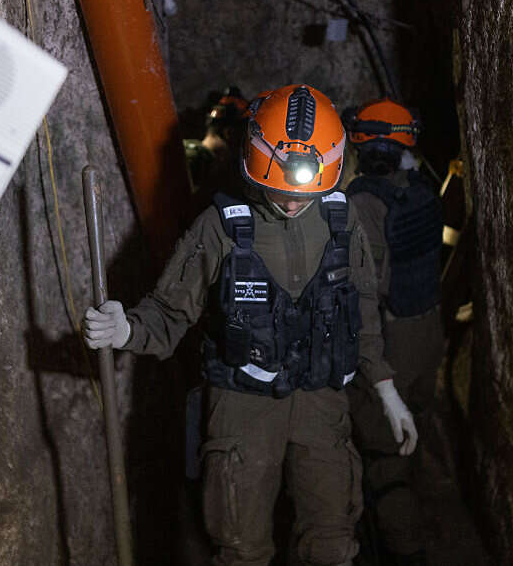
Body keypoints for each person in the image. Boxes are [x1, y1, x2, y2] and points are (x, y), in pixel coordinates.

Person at [84, 85, 418, 566]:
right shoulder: (220, 227)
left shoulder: (342, 222)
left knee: (332, 538)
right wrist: (126, 330)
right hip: (242, 405)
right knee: (240, 545)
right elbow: (170, 311)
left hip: (321, 401)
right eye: (279, 192)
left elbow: (360, 308)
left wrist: (385, 387)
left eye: (302, 194)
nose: (289, 204)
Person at [342, 99, 445, 566]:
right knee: (415, 429)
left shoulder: (365, 201)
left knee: (385, 453)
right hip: (428, 329)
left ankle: (408, 550)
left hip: (392, 336)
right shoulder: (422, 188)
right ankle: (426, 521)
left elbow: (363, 287)